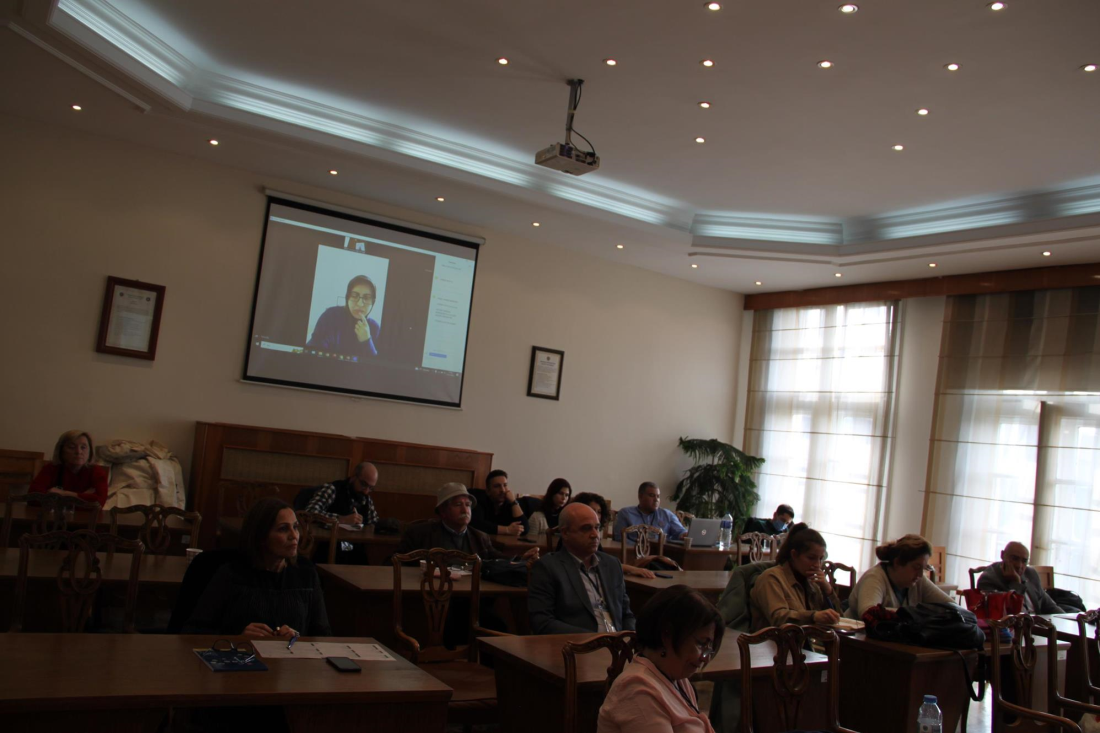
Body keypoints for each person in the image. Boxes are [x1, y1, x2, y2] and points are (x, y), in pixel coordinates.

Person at [184, 497, 331, 637]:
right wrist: (236, 637)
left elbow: (322, 635)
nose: (294, 536)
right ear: (260, 536)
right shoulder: (231, 574)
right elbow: (193, 631)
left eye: (295, 527)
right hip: (240, 652)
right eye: (283, 529)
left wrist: (296, 639)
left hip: (289, 653)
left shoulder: (306, 574)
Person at [598, 585, 722, 733]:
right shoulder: (637, 690)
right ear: (667, 635)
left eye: (709, 648)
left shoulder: (677, 678)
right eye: (701, 644)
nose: (705, 658)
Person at [529, 502, 635, 634]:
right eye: (586, 529)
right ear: (565, 533)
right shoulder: (548, 567)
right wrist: (593, 639)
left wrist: (630, 638)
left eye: (597, 528)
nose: (595, 534)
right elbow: (542, 622)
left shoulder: (612, 564)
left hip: (618, 643)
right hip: (578, 644)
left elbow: (626, 614)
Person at [392, 482, 539, 562]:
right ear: (442, 511)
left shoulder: (480, 537)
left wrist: (521, 559)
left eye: (468, 505)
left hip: (468, 600)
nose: (465, 510)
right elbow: (394, 562)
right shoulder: (418, 534)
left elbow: (498, 558)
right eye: (458, 505)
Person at [749, 523, 841, 631]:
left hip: (807, 640)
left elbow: (839, 619)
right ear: (794, 555)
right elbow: (778, 618)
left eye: (821, 559)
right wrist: (813, 616)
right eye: (811, 558)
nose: (817, 564)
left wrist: (828, 590)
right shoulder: (771, 578)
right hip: (773, 640)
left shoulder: (812, 582)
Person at [845, 534, 957, 619]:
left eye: (923, 568)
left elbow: (953, 607)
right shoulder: (874, 578)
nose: (920, 574)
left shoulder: (918, 580)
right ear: (898, 562)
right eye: (916, 567)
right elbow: (869, 614)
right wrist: (915, 614)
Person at [573, 491, 655, 580]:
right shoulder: (577, 536)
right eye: (592, 510)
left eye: (599, 512)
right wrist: (632, 569)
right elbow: (603, 564)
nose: (596, 515)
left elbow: (604, 561)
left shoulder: (594, 537)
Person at [978, 541, 1065, 614]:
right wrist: (1016, 583)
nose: (1019, 565)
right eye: (1014, 559)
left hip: (1037, 624)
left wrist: (1067, 621)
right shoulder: (988, 579)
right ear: (1002, 555)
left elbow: (1050, 606)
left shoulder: (1031, 573)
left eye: (1024, 561)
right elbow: (1012, 615)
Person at [306, 274, 380, 358]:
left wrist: (367, 341)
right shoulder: (330, 316)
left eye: (366, 298)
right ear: (347, 297)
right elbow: (313, 351)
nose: (360, 304)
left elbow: (375, 364)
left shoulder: (375, 328)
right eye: (354, 296)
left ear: (373, 302)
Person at [29, 430, 109, 507]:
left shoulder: (96, 471)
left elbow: (98, 503)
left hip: (86, 517)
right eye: (72, 447)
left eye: (83, 447)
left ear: (90, 451)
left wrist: (63, 494)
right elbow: (32, 498)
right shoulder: (51, 469)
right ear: (61, 451)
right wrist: (83, 497)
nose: (78, 452)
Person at [302, 462, 379, 527]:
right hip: (328, 539)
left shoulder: (366, 498)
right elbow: (309, 513)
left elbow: (374, 523)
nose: (366, 491)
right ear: (354, 476)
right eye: (363, 484)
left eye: (370, 488)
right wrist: (342, 519)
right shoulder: (333, 489)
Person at [613, 482, 687, 543]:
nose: (656, 499)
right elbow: (619, 538)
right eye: (652, 495)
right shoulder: (626, 513)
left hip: (661, 554)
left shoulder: (667, 514)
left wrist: (684, 535)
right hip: (633, 553)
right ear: (640, 496)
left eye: (658, 496)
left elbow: (681, 532)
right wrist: (641, 549)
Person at [469, 469, 528, 536]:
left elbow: (524, 529)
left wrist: (513, 502)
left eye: (505, 485)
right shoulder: (479, 500)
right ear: (488, 491)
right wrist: (507, 530)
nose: (503, 490)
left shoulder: (510, 502)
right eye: (497, 486)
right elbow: (477, 525)